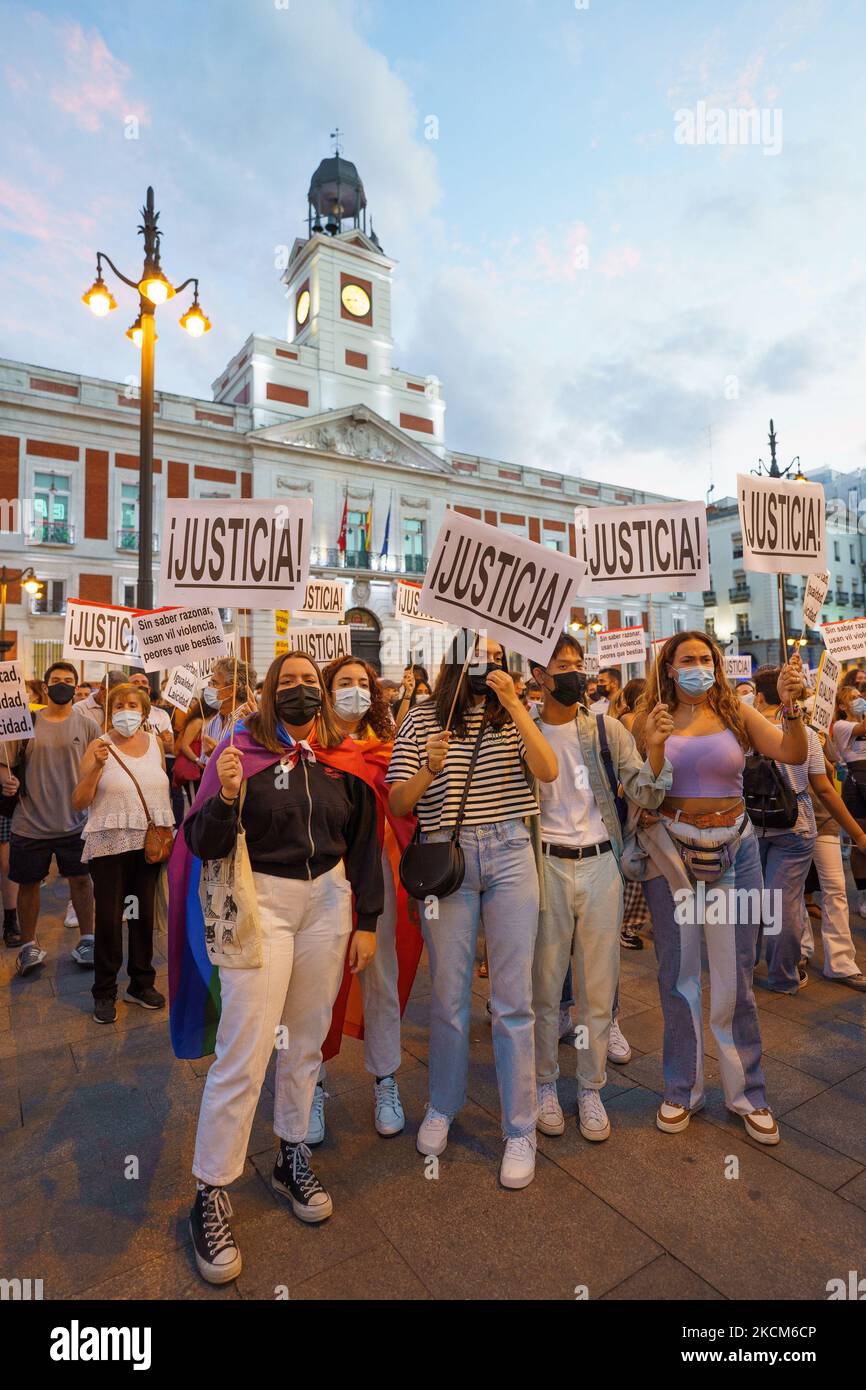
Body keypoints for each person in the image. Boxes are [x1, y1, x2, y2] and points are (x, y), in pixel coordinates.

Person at [173, 651, 384, 1284]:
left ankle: (291, 1153)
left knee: (305, 1044)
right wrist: (227, 795)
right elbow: (202, 844)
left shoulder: (341, 759)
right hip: (259, 904)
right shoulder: (237, 754)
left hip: (328, 903)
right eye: (286, 682)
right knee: (245, 1049)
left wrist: (367, 921)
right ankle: (210, 1191)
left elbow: (367, 843)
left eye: (308, 682)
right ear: (267, 693)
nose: (299, 690)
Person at [388, 632, 558, 1190]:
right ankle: (443, 1104)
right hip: (447, 858)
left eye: (493, 655)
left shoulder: (517, 712)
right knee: (449, 996)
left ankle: (519, 1126)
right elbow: (397, 802)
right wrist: (429, 769)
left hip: (510, 852)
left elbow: (549, 768)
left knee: (513, 1000)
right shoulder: (420, 717)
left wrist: (514, 702)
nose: (484, 662)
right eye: (474, 653)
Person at [633, 632, 807, 1146]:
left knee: (735, 977)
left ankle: (748, 1093)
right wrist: (656, 743)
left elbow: (790, 752)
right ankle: (681, 1089)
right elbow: (647, 787)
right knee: (678, 976)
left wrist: (793, 708)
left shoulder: (737, 713)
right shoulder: (647, 721)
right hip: (672, 851)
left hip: (737, 848)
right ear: (668, 668)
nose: (699, 666)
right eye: (687, 659)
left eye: (705, 658)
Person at [527, 635, 673, 1142]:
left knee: (596, 987)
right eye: (561, 665)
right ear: (539, 675)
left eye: (577, 663)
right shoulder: (523, 732)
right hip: (545, 865)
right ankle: (544, 1083)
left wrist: (654, 746)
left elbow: (647, 791)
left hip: (600, 865)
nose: (575, 672)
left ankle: (590, 1087)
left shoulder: (607, 729)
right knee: (545, 987)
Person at [309, 654, 419, 1142]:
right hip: (320, 879)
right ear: (326, 691)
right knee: (315, 985)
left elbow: (405, 811)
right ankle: (310, 1082)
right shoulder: (306, 747)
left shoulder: (388, 751)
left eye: (362, 683)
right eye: (343, 682)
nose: (354, 690)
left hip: (377, 878)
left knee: (382, 979)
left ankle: (386, 1078)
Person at [752, 668, 866, 993]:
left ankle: (829, 961)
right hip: (801, 820)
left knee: (796, 895)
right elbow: (826, 787)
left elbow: (829, 773)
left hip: (808, 822)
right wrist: (857, 834)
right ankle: (798, 956)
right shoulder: (755, 733)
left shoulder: (810, 730)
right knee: (799, 896)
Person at [72, 682, 174, 1023]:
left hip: (146, 847)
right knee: (111, 920)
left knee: (141, 916)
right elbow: (79, 801)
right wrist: (97, 766)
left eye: (132, 704)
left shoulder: (156, 744)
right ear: (109, 711)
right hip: (109, 847)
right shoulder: (99, 745)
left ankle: (141, 983)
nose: (125, 710)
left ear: (144, 712)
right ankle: (104, 991)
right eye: (118, 705)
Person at [0, 662, 100, 976]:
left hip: (76, 823)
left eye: (68, 681)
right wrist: (5, 779)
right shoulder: (25, 722)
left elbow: (99, 768)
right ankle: (29, 946)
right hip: (30, 824)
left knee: (82, 882)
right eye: (56, 680)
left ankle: (87, 939)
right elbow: (4, 762)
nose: (62, 685)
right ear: (45, 687)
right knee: (28, 885)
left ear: (76, 685)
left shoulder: (87, 726)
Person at [614, 677, 651, 948]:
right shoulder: (631, 721)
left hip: (641, 796)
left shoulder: (639, 718)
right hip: (634, 797)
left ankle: (627, 922)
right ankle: (625, 924)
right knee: (635, 858)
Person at [831, 685, 866, 917]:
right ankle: (864, 893)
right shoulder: (843, 726)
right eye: (852, 698)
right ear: (843, 707)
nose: (858, 700)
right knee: (861, 842)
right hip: (857, 785)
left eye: (859, 696)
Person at [199, 658, 257, 766]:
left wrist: (218, 752)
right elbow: (204, 764)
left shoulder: (251, 721)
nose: (208, 688)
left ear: (231, 690)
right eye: (209, 683)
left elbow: (255, 764)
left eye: (214, 683)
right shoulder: (213, 722)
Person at [128, 672, 174, 755]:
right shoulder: (122, 714)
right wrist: (158, 739)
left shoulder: (162, 715)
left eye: (144, 682)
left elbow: (169, 747)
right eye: (135, 682)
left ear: (149, 690)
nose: (140, 685)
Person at [172, 698, 205, 811]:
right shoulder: (197, 721)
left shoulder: (211, 720)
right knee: (195, 805)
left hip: (201, 769)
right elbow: (184, 745)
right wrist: (197, 760)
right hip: (193, 768)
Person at [393, 664, 431, 731]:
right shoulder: (398, 704)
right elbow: (398, 727)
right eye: (404, 677)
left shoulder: (431, 704)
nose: (403, 681)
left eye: (407, 677)